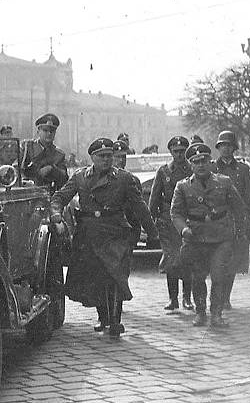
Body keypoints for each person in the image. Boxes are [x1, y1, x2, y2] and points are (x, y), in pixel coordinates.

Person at [50, 138, 158, 338]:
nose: (107, 160)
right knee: (96, 277)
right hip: (88, 234)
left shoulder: (124, 179)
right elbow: (60, 197)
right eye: (102, 156)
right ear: (92, 157)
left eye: (109, 156)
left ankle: (115, 321)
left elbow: (139, 207)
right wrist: (56, 215)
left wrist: (152, 231)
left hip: (115, 232)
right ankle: (103, 317)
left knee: (116, 276)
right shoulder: (80, 177)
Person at [171, 143, 245, 328]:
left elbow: (239, 208)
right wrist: (183, 230)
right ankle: (200, 311)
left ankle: (217, 314)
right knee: (198, 277)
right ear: (191, 165)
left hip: (221, 237)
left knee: (219, 275)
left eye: (204, 160)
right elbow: (176, 213)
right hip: (196, 238)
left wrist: (239, 233)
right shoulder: (182, 186)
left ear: (210, 162)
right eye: (196, 162)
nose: (201, 165)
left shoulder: (224, 182)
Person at [148, 136, 194, 311]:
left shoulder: (192, 170)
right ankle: (173, 299)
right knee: (171, 259)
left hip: (188, 220)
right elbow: (154, 197)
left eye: (182, 151)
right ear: (170, 152)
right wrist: (151, 221)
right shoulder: (163, 171)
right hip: (167, 222)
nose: (179, 155)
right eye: (176, 151)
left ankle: (187, 299)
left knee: (187, 259)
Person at [213, 130, 250, 309]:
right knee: (217, 261)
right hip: (217, 219)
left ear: (234, 148)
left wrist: (248, 221)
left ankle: (226, 297)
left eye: (228, 145)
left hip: (237, 220)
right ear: (218, 148)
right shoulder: (212, 168)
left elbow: (248, 198)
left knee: (232, 261)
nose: (225, 149)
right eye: (222, 145)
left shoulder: (244, 169)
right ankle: (218, 297)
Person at [21, 113, 69, 193]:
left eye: (52, 131)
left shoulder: (59, 155)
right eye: (45, 130)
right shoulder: (27, 147)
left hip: (48, 194)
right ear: (38, 132)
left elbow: (64, 179)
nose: (49, 134)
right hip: (26, 192)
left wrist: (52, 169)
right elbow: (17, 168)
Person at [112, 140, 142, 251]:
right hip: (111, 228)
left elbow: (138, 208)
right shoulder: (102, 179)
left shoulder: (134, 180)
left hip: (129, 228)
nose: (120, 160)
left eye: (123, 157)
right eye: (117, 157)